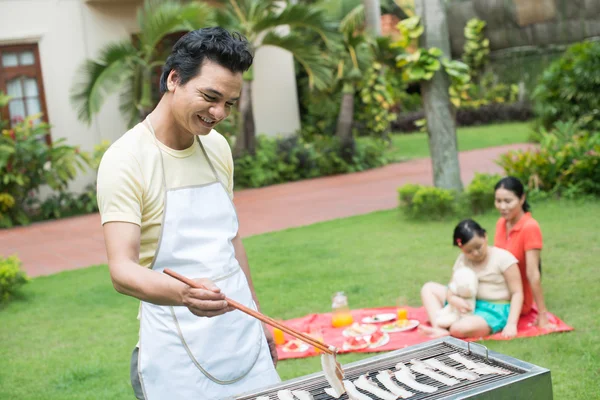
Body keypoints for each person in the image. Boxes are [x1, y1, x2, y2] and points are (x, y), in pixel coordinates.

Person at [97, 27, 280, 400]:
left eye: (229, 103)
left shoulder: (217, 148)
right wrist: (184, 294)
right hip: (175, 342)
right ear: (174, 79)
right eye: (210, 97)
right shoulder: (126, 159)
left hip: (240, 333)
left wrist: (258, 317)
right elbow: (122, 269)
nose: (219, 113)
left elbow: (230, 240)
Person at [420, 219, 523, 339]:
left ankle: (450, 330)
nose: (475, 253)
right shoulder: (462, 259)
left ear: (485, 236)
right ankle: (438, 329)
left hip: (492, 309)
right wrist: (453, 298)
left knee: (459, 329)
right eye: (469, 251)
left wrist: (511, 324)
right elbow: (451, 286)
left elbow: (517, 293)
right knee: (428, 288)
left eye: (478, 247)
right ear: (462, 249)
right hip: (465, 301)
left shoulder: (504, 258)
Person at [494, 176, 556, 329]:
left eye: (508, 201)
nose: (502, 206)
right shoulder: (501, 223)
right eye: (498, 201)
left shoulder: (530, 227)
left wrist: (542, 314)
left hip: (516, 297)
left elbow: (533, 273)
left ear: (522, 199)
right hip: (496, 288)